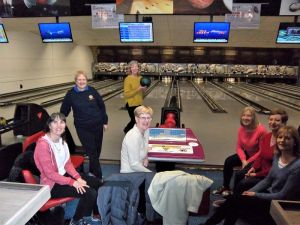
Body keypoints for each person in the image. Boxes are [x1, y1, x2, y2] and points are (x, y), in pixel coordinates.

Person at [202, 126, 300, 225]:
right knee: (233, 199)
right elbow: (268, 180)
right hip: (268, 194)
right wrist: (250, 192)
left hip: (277, 203)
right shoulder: (277, 157)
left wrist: (256, 194)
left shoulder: (297, 166)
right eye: (280, 137)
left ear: (295, 142)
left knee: (234, 201)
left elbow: (282, 195)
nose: (282, 140)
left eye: (287, 138)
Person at [34, 112, 102, 225]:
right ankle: (77, 220)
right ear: (49, 125)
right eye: (55, 122)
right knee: (90, 193)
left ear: (65, 125)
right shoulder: (43, 145)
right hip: (52, 184)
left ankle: (95, 213)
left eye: (62, 122)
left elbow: (67, 164)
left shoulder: (62, 142)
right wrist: (72, 182)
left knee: (97, 183)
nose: (58, 125)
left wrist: (78, 178)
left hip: (64, 176)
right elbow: (50, 173)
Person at [60, 70, 108, 179]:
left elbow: (101, 106)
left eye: (83, 79)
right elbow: (64, 110)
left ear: (86, 80)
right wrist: (60, 122)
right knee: (91, 151)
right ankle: (98, 176)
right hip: (82, 127)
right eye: (79, 80)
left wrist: (105, 121)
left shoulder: (92, 91)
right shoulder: (71, 94)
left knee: (97, 150)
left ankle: (92, 171)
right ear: (75, 81)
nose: (81, 82)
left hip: (97, 125)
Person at [213, 106, 267, 196]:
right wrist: (243, 160)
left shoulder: (261, 131)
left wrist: (248, 162)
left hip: (258, 157)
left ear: (253, 117)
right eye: (244, 115)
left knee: (240, 174)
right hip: (247, 155)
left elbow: (261, 151)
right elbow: (239, 147)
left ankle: (234, 193)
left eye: (249, 116)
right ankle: (225, 186)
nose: (245, 118)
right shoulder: (242, 128)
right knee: (228, 161)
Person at [234, 108, 288, 194]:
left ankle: (237, 202)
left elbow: (277, 168)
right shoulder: (267, 137)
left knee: (243, 184)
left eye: (277, 120)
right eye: (271, 119)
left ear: (284, 123)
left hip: (270, 176)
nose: (273, 122)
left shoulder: (284, 141)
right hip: (261, 170)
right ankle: (235, 200)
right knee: (239, 175)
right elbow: (261, 155)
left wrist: (256, 174)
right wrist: (253, 168)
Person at [120, 105, 153, 173]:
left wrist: (146, 157)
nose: (146, 121)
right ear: (136, 119)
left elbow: (146, 146)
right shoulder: (133, 136)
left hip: (139, 171)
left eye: (148, 118)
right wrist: (151, 174)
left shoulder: (146, 130)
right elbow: (134, 165)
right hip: (130, 174)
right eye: (143, 118)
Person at [123, 60, 147, 134]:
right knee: (134, 120)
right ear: (130, 69)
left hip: (139, 103)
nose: (134, 68)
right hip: (130, 104)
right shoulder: (127, 79)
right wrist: (138, 89)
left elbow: (143, 92)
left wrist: (144, 89)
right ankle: (126, 130)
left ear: (138, 68)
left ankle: (135, 132)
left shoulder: (141, 78)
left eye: (136, 66)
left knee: (138, 120)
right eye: (132, 67)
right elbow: (127, 94)